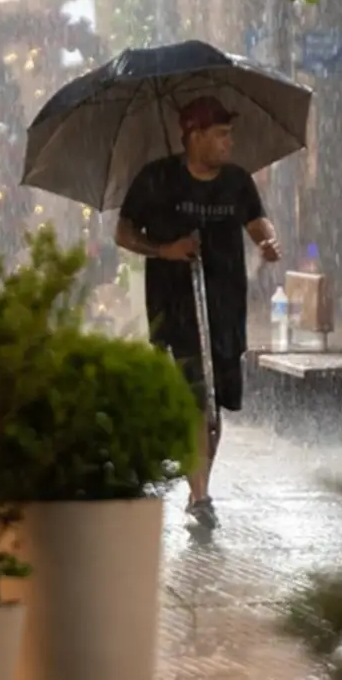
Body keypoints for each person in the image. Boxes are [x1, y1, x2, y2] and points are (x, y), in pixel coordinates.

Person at [115, 96, 281, 530]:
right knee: (196, 397)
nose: (229, 142)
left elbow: (256, 221)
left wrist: (267, 240)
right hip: (177, 307)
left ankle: (197, 484)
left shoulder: (238, 182)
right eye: (221, 134)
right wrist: (164, 250)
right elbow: (124, 232)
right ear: (194, 136)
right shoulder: (157, 180)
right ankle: (200, 494)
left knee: (214, 406)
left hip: (226, 306)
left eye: (230, 134)